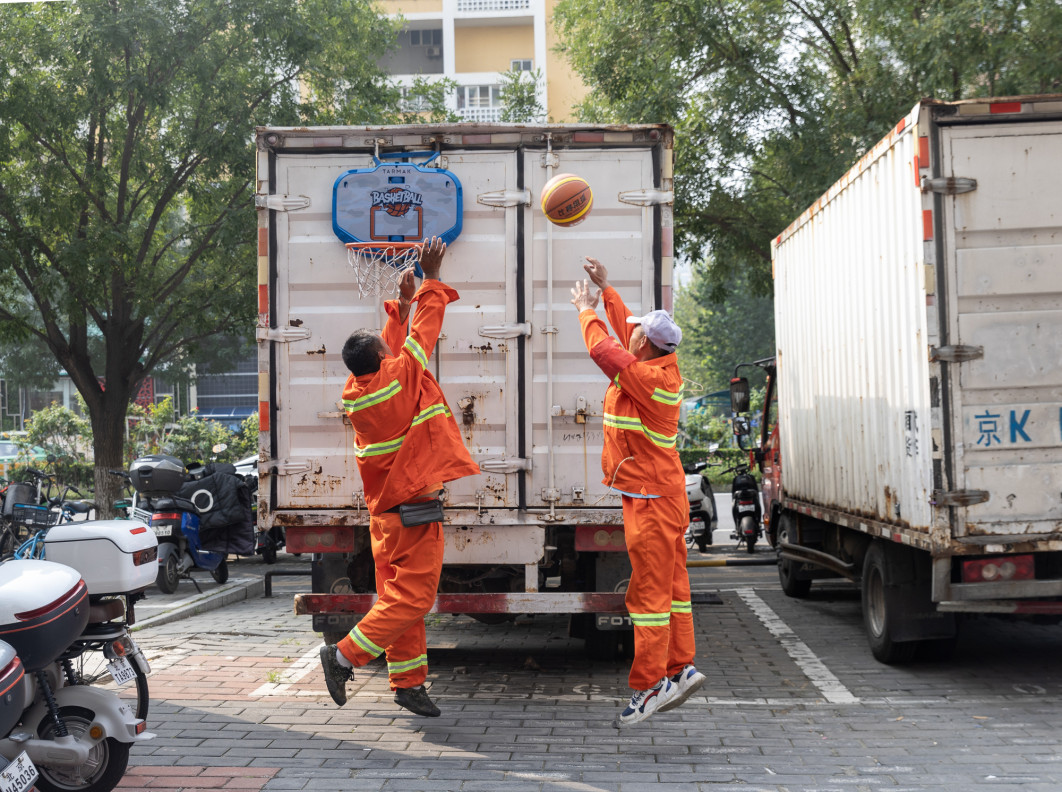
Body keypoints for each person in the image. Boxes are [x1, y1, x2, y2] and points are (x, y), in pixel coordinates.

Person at [319, 236, 480, 717]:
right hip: (412, 509)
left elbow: (388, 348)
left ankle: (408, 682)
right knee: (416, 597)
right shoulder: (400, 376)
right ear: (382, 359)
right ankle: (343, 656)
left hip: (387, 515)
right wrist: (429, 280)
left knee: (397, 596)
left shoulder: (359, 387)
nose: (391, 346)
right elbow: (423, 334)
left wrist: (400, 304)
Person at [570, 256, 705, 728]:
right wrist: (607, 290)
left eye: (636, 331)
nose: (631, 333)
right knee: (674, 590)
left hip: (649, 500)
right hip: (663, 495)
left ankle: (651, 687)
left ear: (644, 342)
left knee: (647, 597)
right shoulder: (659, 369)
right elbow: (628, 344)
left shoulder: (641, 376)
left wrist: (586, 310)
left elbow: (608, 351)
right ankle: (681, 668)